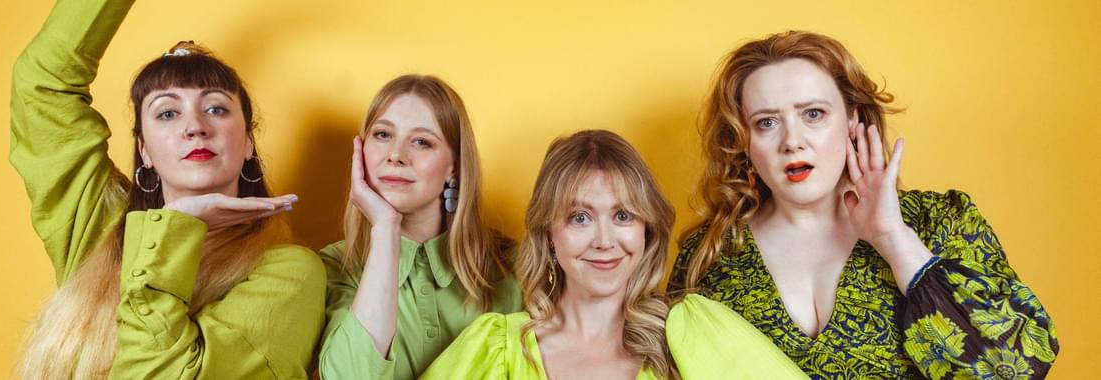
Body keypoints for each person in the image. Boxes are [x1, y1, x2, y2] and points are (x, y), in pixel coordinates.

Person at [668, 31, 1058, 379]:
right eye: (767, 122)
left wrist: (893, 239)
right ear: (742, 141)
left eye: (813, 114)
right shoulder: (711, 253)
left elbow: (1018, 367)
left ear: (853, 119)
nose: (792, 141)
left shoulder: (937, 221)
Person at [11, 0, 326, 377]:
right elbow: (41, 89)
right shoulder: (101, 227)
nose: (195, 127)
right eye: (167, 113)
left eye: (216, 109)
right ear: (144, 149)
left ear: (248, 143)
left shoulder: (289, 273)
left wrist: (176, 228)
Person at [422, 130, 805, 379]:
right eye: (580, 217)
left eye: (623, 215)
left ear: (646, 229)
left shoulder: (693, 333)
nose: (604, 240)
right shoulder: (495, 347)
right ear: (549, 235)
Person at [317, 75, 521, 379]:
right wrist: (385, 228)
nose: (396, 155)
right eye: (383, 134)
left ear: (455, 166)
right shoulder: (333, 268)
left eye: (421, 142)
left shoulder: (512, 267)